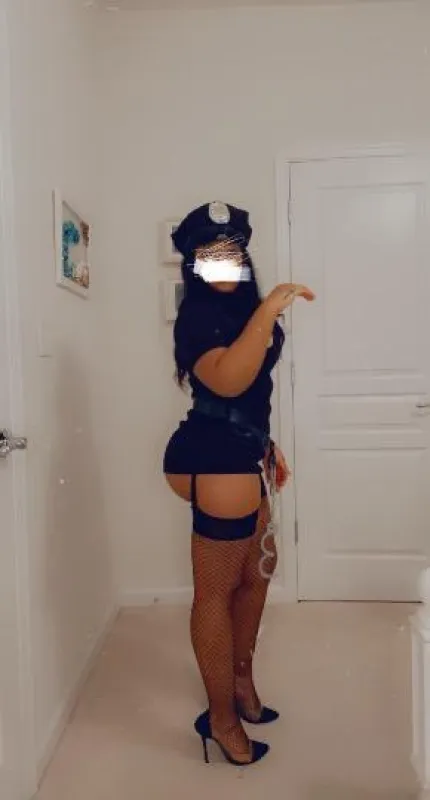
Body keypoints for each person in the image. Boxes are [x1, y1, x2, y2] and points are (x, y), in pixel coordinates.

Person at [163, 201, 314, 766]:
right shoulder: (197, 316)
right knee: (216, 592)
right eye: (209, 253)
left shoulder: (243, 311)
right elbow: (228, 382)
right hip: (210, 456)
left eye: (232, 251)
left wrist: (265, 444)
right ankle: (220, 718)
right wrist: (269, 308)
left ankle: (242, 684)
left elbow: (253, 395)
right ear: (194, 264)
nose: (223, 261)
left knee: (256, 577)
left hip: (244, 451)